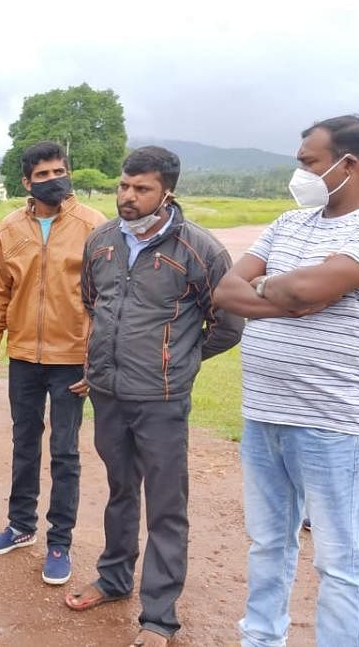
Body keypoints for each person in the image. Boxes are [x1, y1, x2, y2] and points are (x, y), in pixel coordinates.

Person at [213, 116, 359, 647]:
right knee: (267, 544)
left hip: (332, 422)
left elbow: (309, 286)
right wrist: (290, 297)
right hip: (263, 413)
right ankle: (260, 639)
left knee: (339, 558)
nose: (299, 172)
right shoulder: (289, 223)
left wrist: (285, 288)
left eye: (308, 161)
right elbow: (225, 292)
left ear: (347, 165)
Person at [66, 146, 242, 647]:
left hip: (162, 400)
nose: (128, 196)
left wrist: (178, 362)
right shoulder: (100, 242)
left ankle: (159, 616)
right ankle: (114, 578)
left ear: (167, 192)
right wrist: (103, 365)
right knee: (120, 490)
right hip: (109, 395)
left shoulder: (199, 251)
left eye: (141, 189)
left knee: (166, 505)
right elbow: (92, 304)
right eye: (124, 185)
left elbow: (228, 324)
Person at [0, 142, 106, 587]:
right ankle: (20, 526)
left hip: (73, 360)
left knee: (65, 452)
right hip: (24, 358)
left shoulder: (93, 225)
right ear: (26, 182)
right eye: (44, 173)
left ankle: (60, 542)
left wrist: (96, 358)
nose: (55, 179)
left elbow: (107, 299)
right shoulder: (10, 228)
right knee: (24, 443)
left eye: (60, 170)